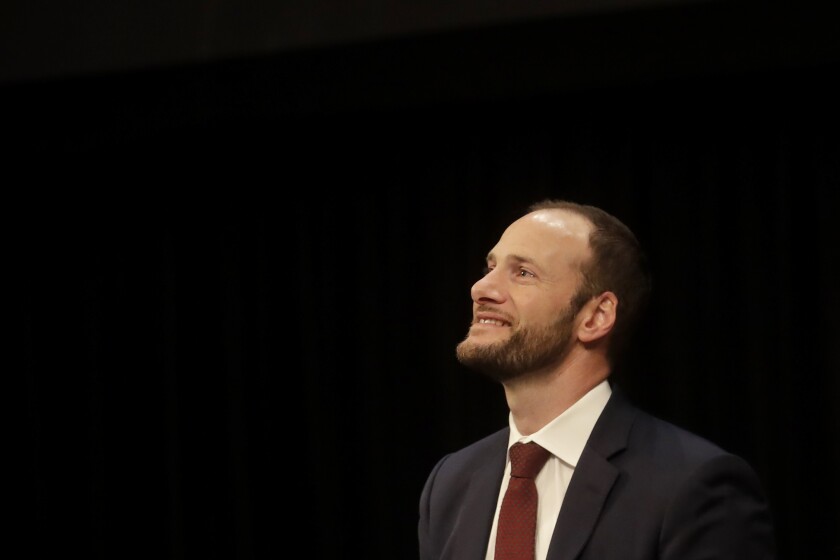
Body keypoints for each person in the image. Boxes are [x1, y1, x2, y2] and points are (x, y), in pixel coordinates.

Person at [418, 199, 775, 560]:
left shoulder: (693, 485)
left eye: (523, 272)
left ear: (595, 317)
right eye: (490, 267)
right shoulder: (451, 484)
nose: (481, 288)